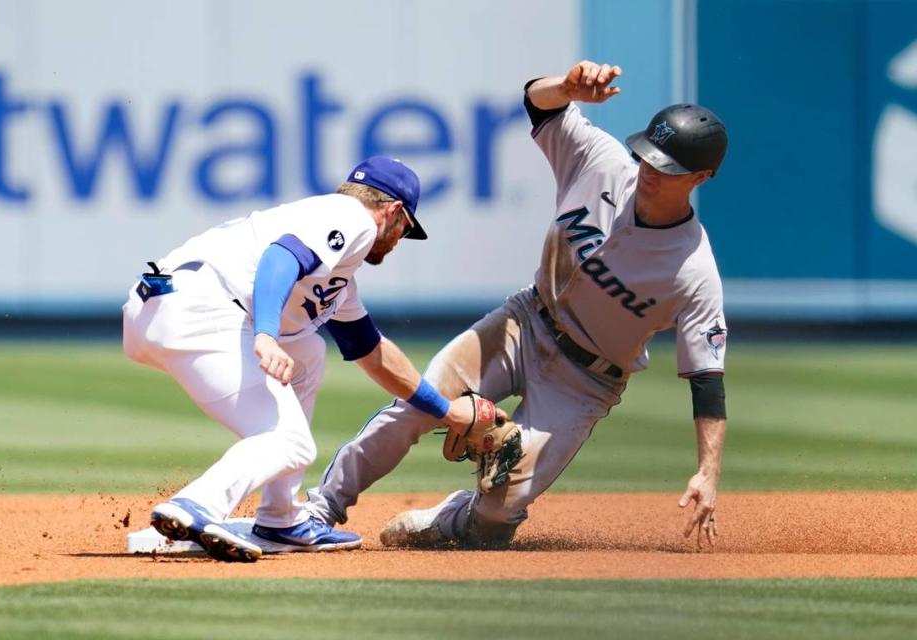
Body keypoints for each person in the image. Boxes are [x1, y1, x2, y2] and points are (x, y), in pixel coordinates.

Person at [306, 61, 730, 550]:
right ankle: (320, 506)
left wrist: (707, 472)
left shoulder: (693, 269)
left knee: (495, 520)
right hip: (524, 322)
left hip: (586, 380)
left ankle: (450, 518)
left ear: (701, 176)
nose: (652, 170)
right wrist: (565, 87)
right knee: (414, 406)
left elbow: (707, 381)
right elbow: (537, 102)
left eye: (669, 167)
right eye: (649, 156)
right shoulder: (600, 161)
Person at [122, 157, 502, 562]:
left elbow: (374, 354)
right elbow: (281, 258)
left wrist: (446, 412)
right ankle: (196, 504)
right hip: (201, 306)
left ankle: (280, 518)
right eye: (406, 229)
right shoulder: (351, 217)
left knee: (308, 352)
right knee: (291, 442)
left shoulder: (338, 271)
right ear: (393, 212)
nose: (398, 241)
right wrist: (266, 334)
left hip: (160, 307)